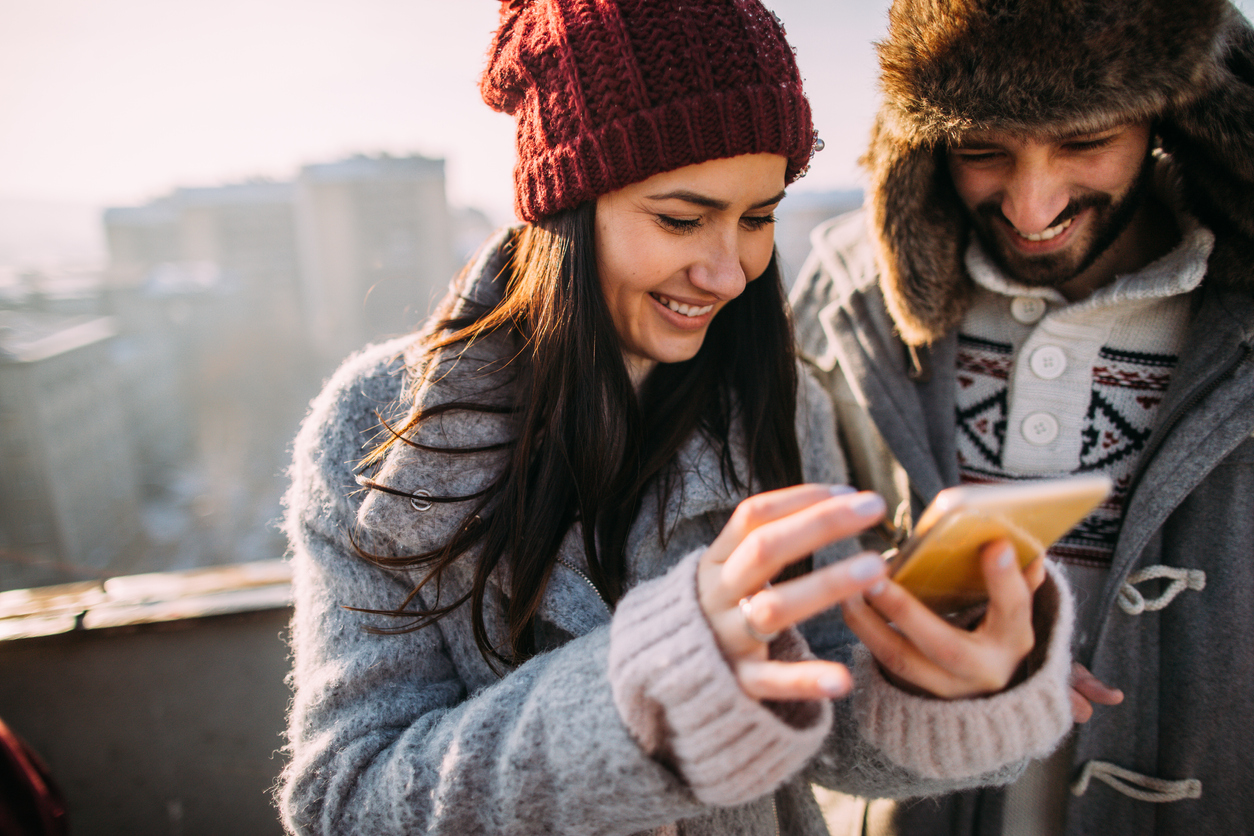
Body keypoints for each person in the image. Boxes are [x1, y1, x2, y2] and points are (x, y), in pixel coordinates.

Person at [277, 2, 1078, 834]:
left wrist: (941, 680)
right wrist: (648, 699)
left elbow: (826, 715)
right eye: (681, 219)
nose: (729, 274)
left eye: (758, 219)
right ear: (564, 209)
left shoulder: (773, 396)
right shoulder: (380, 430)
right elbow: (348, 800)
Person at [789, 0, 1254, 834]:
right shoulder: (846, 301)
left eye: (1084, 140)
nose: (1031, 207)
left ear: (1168, 114)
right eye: (982, 150)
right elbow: (795, 629)